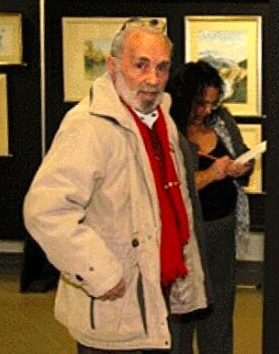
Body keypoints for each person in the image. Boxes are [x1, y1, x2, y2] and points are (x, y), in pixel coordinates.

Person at [23, 17, 207, 353]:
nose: (153, 78)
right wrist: (98, 272)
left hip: (158, 292)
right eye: (140, 65)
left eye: (162, 67)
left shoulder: (161, 118)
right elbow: (46, 210)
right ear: (112, 66)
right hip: (115, 303)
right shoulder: (89, 126)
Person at [165, 60, 253, 354]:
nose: (206, 111)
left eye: (212, 104)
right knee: (182, 307)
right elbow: (168, 185)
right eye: (200, 104)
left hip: (222, 227)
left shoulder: (222, 121)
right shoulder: (168, 130)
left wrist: (242, 166)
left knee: (220, 306)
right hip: (184, 232)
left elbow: (242, 153)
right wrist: (211, 174)